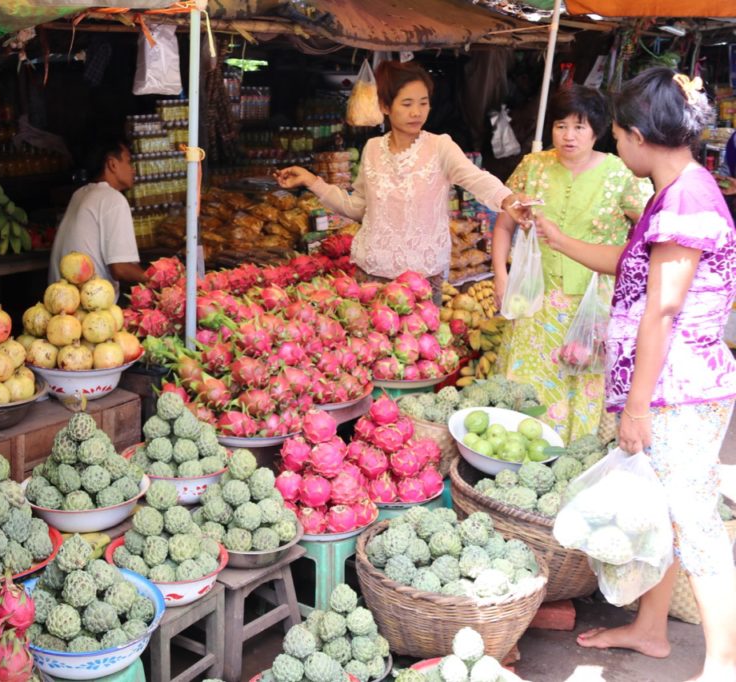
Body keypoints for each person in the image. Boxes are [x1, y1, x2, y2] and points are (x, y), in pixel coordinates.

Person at [536, 68, 736, 680]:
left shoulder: (688, 201)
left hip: (679, 390)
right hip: (673, 385)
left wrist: (638, 406)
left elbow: (663, 308)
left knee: (695, 521)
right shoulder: (675, 193)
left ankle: (724, 664)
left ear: (642, 135)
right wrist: (555, 237)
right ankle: (652, 630)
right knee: (671, 512)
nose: (615, 147)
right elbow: (626, 265)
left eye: (618, 135)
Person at [275, 61, 532, 295]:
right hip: (371, 275)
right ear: (386, 106)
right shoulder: (373, 149)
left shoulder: (440, 147)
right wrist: (312, 181)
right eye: (407, 104)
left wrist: (507, 198)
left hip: (422, 281)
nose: (417, 112)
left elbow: (475, 178)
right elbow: (358, 209)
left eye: (423, 102)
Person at [492, 86, 651, 442]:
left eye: (579, 127)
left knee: (585, 381)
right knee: (530, 382)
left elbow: (646, 237)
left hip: (593, 304)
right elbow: (503, 225)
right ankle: (524, 451)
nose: (568, 135)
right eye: (560, 125)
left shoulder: (621, 174)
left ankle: (577, 458)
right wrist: (501, 277)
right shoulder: (533, 167)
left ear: (597, 130)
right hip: (536, 301)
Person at [49, 138, 147, 300]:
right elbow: (120, 268)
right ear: (112, 164)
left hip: (59, 300)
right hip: (87, 309)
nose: (133, 170)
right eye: (129, 162)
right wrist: (160, 281)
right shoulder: (113, 199)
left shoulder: (80, 194)